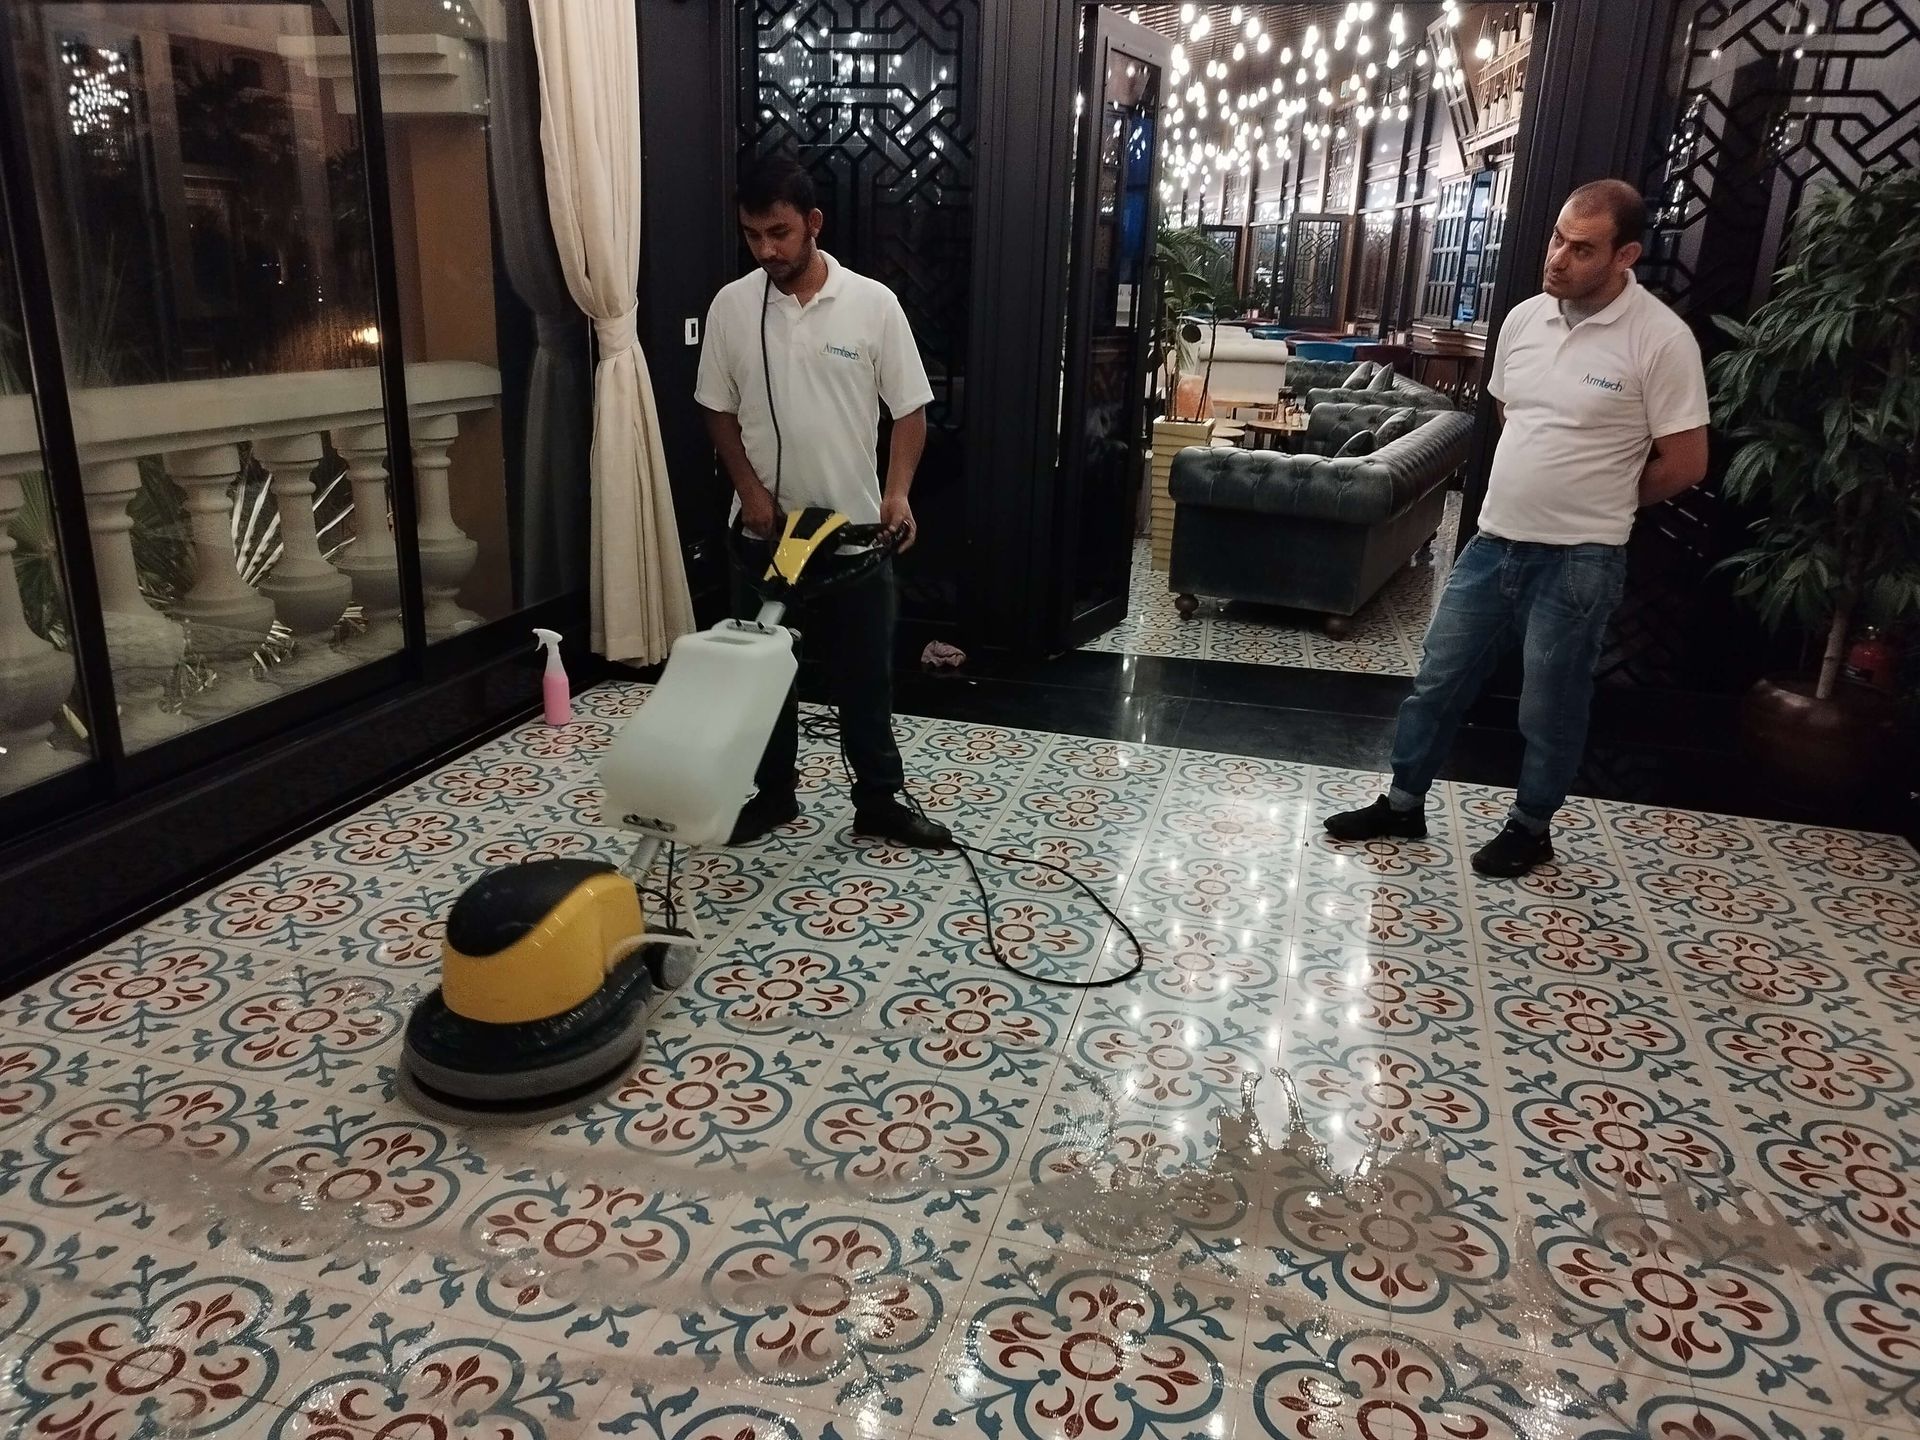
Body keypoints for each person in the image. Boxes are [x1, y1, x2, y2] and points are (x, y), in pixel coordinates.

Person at [1326, 179, 1710, 877]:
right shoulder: (1525, 320)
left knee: (1549, 704)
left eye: (1582, 248)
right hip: (1493, 541)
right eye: (1557, 238)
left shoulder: (1660, 340)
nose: (1558, 257)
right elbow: (1513, 417)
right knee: (1437, 682)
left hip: (1581, 559)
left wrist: (1603, 501)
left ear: (1625, 255)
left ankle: (1531, 826)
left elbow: (1686, 463)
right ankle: (1403, 804)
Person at [695, 153, 950, 850]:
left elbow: (910, 409)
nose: (766, 250)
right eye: (752, 235)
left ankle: (880, 801)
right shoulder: (732, 306)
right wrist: (749, 491)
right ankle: (773, 795)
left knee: (865, 677)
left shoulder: (873, 304)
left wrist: (898, 493)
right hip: (764, 534)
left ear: (813, 223)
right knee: (765, 679)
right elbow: (716, 408)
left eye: (779, 232)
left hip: (854, 534)